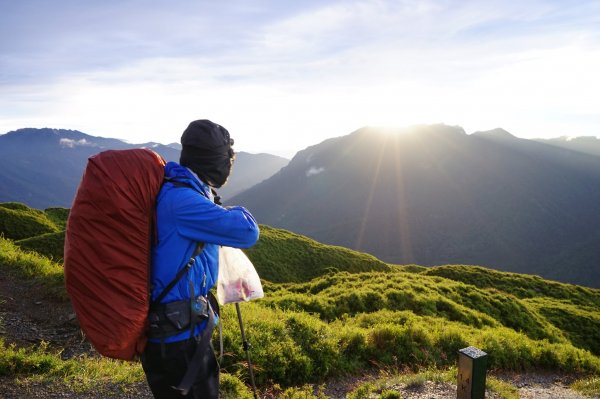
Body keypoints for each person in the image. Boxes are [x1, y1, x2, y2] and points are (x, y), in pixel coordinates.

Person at [141, 119, 260, 398]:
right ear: (215, 161)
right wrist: (230, 208)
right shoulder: (184, 202)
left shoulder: (175, 191)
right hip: (180, 339)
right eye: (227, 159)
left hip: (172, 330)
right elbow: (247, 232)